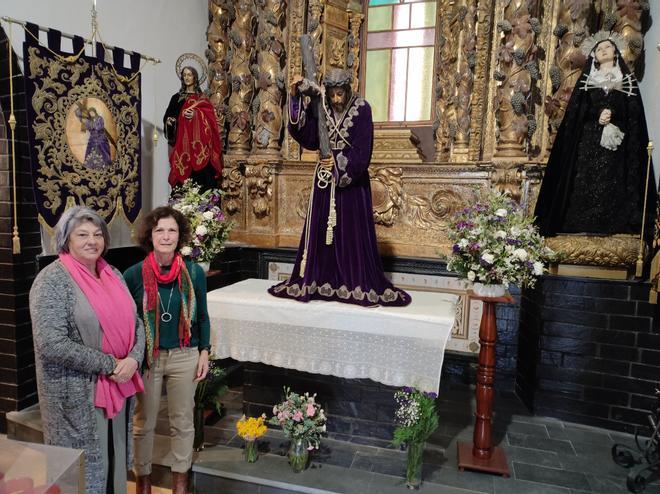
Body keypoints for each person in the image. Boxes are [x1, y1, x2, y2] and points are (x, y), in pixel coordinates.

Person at [268, 68, 411, 307]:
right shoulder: (320, 105)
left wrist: (338, 165)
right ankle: (318, 279)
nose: (335, 100)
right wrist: (294, 98)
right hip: (324, 182)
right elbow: (306, 135)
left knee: (350, 232)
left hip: (351, 185)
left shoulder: (362, 109)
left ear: (348, 89)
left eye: (340, 94)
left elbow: (363, 151)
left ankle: (353, 281)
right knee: (321, 233)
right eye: (332, 94)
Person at [29, 206, 145, 494]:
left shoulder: (113, 273)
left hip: (117, 385)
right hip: (76, 394)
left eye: (97, 234)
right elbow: (51, 343)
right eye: (82, 235)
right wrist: (110, 364)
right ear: (67, 240)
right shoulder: (52, 280)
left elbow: (137, 322)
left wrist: (133, 358)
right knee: (82, 472)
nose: (91, 241)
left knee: (113, 458)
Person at [123, 206, 211, 494]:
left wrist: (204, 351)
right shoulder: (133, 275)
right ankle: (143, 480)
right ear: (150, 235)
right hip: (148, 358)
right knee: (143, 421)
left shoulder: (194, 273)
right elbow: (126, 320)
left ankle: (180, 481)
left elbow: (203, 317)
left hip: (185, 354)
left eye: (172, 230)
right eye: (159, 229)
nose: (166, 235)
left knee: (183, 421)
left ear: (180, 236)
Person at [535, 32, 656, 238]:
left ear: (616, 53)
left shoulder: (626, 80)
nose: (603, 50)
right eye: (599, 49)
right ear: (594, 56)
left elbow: (634, 114)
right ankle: (580, 222)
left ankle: (612, 222)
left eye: (608, 47)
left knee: (612, 179)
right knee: (585, 179)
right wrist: (596, 114)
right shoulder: (588, 80)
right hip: (589, 142)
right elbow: (576, 112)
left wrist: (614, 113)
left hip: (617, 144)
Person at [164, 66, 223, 190]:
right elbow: (168, 117)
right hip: (182, 145)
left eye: (189, 75)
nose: (186, 77)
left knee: (202, 179)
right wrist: (170, 122)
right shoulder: (176, 98)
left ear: (195, 77)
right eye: (184, 75)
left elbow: (211, 121)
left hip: (199, 146)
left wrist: (196, 115)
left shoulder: (202, 99)